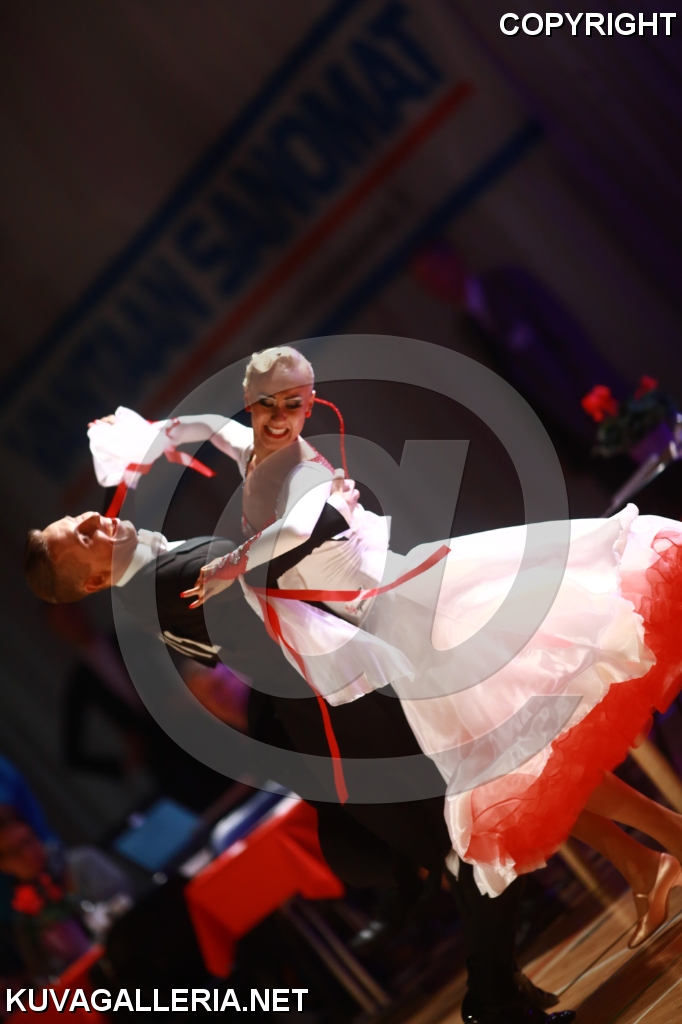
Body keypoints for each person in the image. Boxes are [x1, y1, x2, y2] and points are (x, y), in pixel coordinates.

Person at [84, 348, 682, 942]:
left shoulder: (298, 465)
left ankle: (666, 845)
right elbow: (216, 430)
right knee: (517, 770)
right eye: (267, 403)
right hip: (391, 634)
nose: (279, 414)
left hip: (418, 616)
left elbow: (300, 527)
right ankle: (646, 866)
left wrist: (231, 564)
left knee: (524, 760)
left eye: (292, 402)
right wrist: (158, 434)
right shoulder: (257, 457)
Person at [25, 523, 568, 1018]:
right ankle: (493, 994)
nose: (95, 521)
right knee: (468, 837)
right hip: (335, 712)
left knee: (464, 838)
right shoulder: (164, 578)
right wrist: (312, 509)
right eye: (84, 538)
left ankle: (497, 990)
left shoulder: (146, 584)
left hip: (326, 706)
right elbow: (278, 557)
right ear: (94, 579)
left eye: (79, 521)